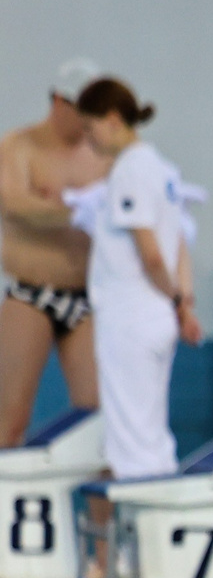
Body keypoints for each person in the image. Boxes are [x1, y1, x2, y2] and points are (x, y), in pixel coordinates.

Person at [73, 79, 200, 481]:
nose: (89, 142)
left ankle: (152, 539)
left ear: (112, 121)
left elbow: (151, 255)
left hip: (132, 318)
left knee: (132, 450)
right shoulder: (161, 168)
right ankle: (158, 535)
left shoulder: (130, 171)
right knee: (151, 440)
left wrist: (178, 300)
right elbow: (178, 242)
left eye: (90, 130)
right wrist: (183, 303)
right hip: (153, 317)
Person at [0, 59, 107, 445]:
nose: (90, 124)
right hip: (31, 293)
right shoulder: (19, 146)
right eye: (85, 112)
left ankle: (104, 509)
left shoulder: (103, 154)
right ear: (59, 102)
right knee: (10, 419)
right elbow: (14, 205)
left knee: (100, 420)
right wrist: (77, 209)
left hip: (88, 297)